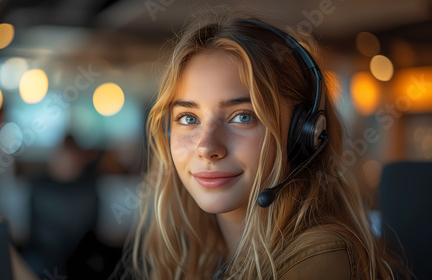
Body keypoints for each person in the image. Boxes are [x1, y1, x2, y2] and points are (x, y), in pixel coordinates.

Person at [113, 9, 409, 280]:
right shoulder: (206, 253)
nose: (206, 147)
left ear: (304, 134)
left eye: (243, 116)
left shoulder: (323, 259)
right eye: (188, 118)